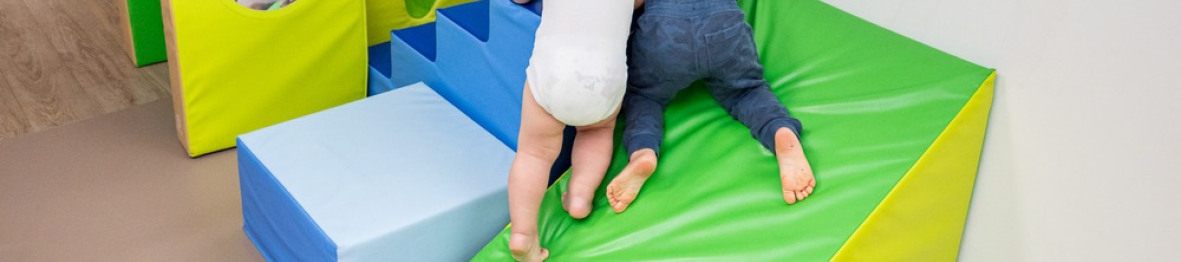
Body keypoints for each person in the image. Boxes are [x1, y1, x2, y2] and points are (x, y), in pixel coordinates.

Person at [605, 0, 816, 214]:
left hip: (665, 33)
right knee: (746, 92)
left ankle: (643, 151)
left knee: (643, 97)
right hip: (724, 25)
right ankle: (779, 130)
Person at [505, 0, 641, 261]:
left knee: (534, 154)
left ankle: (523, 233)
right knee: (597, 132)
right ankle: (580, 196)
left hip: (554, 74)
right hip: (604, 81)